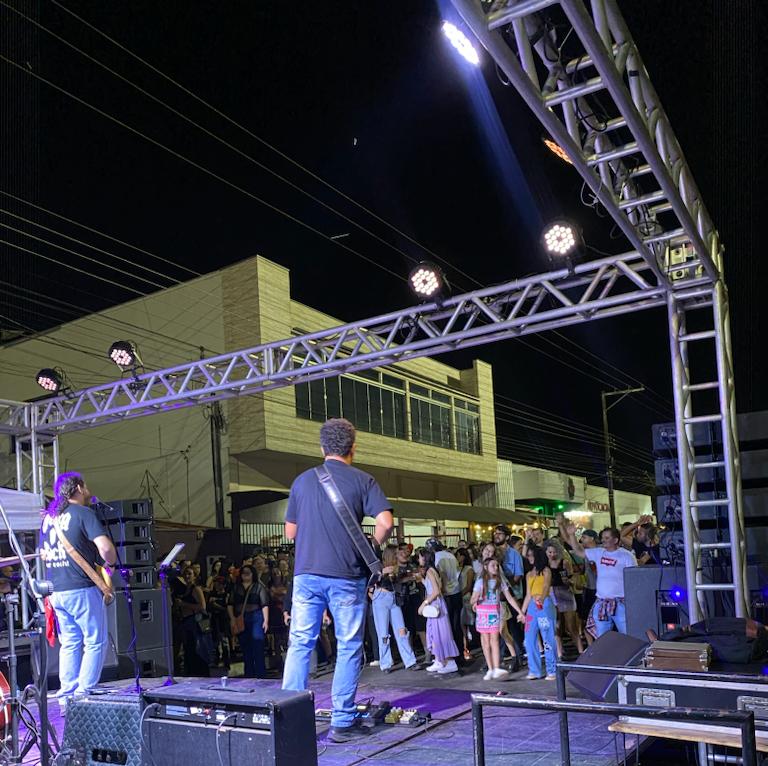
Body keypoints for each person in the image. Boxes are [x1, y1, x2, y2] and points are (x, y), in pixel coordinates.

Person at [282, 418, 394, 743]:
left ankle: (288, 720)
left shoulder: (302, 481)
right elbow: (386, 522)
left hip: (306, 575)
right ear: (352, 448)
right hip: (346, 575)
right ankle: (342, 721)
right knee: (348, 645)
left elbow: (290, 532)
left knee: (300, 643)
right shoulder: (363, 480)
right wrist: (373, 543)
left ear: (322, 448)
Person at [39, 472, 117, 712]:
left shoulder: (49, 518)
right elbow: (105, 548)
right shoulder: (83, 513)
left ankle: (67, 696)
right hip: (81, 588)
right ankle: (83, 694)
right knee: (95, 641)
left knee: (70, 643)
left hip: (57, 590)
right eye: (86, 486)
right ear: (79, 488)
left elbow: (43, 554)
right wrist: (111, 565)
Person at [559, 517, 637, 637]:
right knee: (602, 638)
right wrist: (572, 535)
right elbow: (579, 551)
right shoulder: (599, 552)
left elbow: (634, 578)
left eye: (607, 538)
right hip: (602, 602)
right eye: (603, 538)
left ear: (616, 540)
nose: (603, 540)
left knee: (628, 635)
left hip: (621, 603)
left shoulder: (626, 556)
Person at [471, 557, 524, 681]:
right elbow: (472, 599)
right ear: (486, 567)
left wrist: (520, 611)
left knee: (495, 639)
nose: (496, 568)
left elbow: (509, 598)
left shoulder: (500, 581)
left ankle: (496, 667)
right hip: (483, 613)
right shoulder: (480, 582)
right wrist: (477, 599)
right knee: (486, 641)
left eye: (497, 565)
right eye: (493, 565)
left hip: (494, 612)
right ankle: (490, 668)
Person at [371, 545, 422, 673]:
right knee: (383, 633)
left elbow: (400, 580)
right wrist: (382, 573)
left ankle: (410, 661)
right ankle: (386, 664)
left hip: (394, 598)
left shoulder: (397, 567)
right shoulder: (380, 565)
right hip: (381, 597)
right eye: (397, 553)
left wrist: (411, 577)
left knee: (402, 630)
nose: (401, 554)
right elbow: (371, 580)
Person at [417, 548, 459, 674]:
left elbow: (436, 591)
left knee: (440, 633)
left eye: (420, 557)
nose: (418, 559)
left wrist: (424, 604)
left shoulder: (430, 571)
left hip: (435, 604)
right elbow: (438, 587)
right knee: (437, 633)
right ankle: (440, 660)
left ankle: (448, 661)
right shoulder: (434, 570)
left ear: (425, 558)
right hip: (438, 603)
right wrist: (422, 580)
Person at [521, 545, 558, 681]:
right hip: (532, 606)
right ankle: (534, 670)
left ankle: (552, 670)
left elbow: (546, 586)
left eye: (531, 555)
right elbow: (528, 595)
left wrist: (541, 598)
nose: (529, 557)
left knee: (548, 638)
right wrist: (522, 612)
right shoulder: (529, 574)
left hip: (544, 604)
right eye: (528, 555)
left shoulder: (546, 571)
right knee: (529, 639)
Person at [544, 539, 584, 657]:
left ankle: (581, 651)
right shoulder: (545, 564)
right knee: (556, 626)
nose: (552, 555)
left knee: (571, 626)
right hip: (551, 594)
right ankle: (560, 653)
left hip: (565, 593)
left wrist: (568, 581)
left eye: (554, 552)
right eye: (550, 552)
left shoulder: (564, 562)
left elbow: (572, 579)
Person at [228, 564, 269, 678]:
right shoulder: (236, 587)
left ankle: (261, 675)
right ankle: (249, 675)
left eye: (248, 573)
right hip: (241, 617)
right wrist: (232, 619)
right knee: (245, 648)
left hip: (256, 616)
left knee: (258, 646)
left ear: (252, 574)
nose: (245, 575)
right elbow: (230, 604)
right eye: (243, 573)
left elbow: (264, 604)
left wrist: (266, 620)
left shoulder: (258, 587)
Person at [425, 538, 464, 656]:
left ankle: (449, 654)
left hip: (446, 594)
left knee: (447, 627)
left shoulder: (436, 558)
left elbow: (440, 578)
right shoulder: (451, 555)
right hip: (456, 592)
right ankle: (460, 653)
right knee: (457, 625)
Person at [456, 548, 475, 661]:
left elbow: (468, 586)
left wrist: (460, 594)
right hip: (459, 597)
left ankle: (469, 646)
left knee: (467, 623)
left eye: (458, 555)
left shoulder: (469, 569)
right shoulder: (456, 568)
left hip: (466, 598)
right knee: (461, 624)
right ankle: (465, 647)